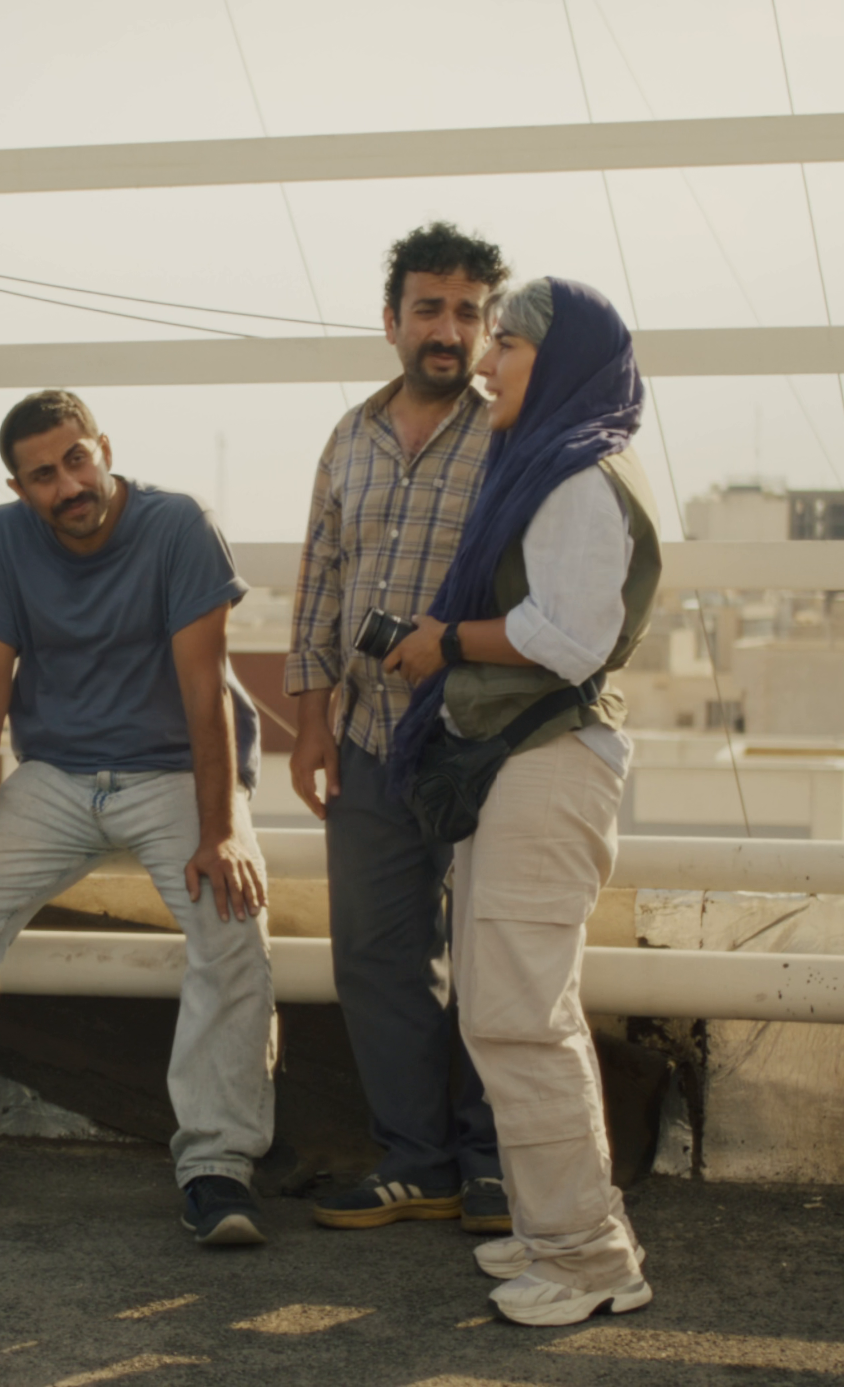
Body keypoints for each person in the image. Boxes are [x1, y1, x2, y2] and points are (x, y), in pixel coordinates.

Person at [0, 389, 275, 1246]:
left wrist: (220, 829)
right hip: (57, 776)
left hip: (174, 770)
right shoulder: (4, 538)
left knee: (232, 925)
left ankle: (218, 1166)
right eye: (43, 475)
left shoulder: (180, 525)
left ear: (103, 447)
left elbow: (204, 689)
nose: (68, 484)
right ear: (18, 486)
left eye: (76, 459)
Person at [381, 277, 661, 1327]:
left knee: (519, 1016)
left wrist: (445, 641)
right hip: (528, 761)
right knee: (513, 1010)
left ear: (564, 359)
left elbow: (568, 635)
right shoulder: (557, 458)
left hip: (548, 762)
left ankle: (589, 1258)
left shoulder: (577, 474)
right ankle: (556, 1229)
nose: (487, 363)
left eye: (507, 345)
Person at [283, 222, 514, 1235]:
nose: (447, 330)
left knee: (492, 955)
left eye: (468, 313)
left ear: (487, 328)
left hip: (482, 742)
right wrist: (310, 725)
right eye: (429, 308)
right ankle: (418, 1161)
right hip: (369, 740)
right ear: (392, 320)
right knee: (375, 958)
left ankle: (497, 1164)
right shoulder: (350, 437)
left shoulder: (510, 439)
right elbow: (319, 584)